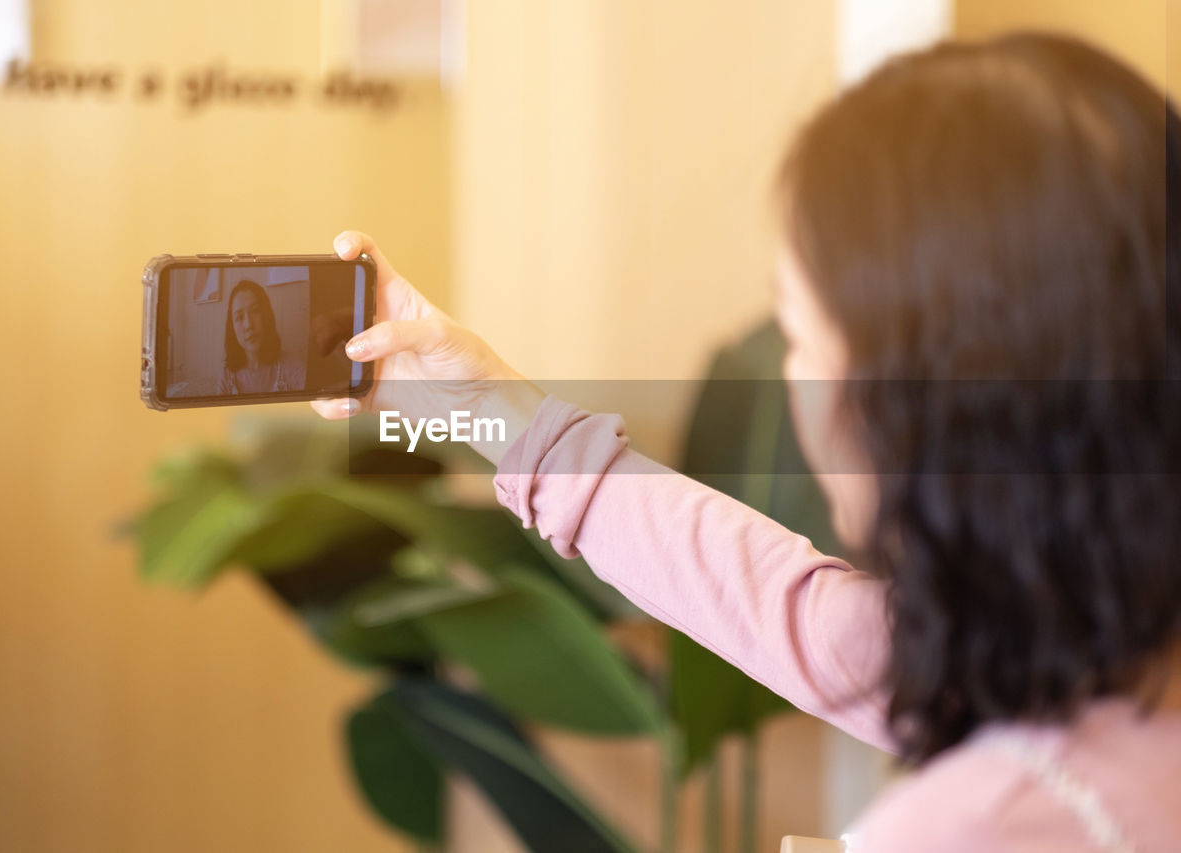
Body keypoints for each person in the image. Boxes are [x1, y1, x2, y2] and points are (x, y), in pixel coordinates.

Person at [312, 33, 1180, 851]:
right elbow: (794, 611)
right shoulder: (1085, 651)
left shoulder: (984, 821)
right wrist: (474, 407)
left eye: (800, 336)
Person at [216, 279, 306, 395]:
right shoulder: (226, 375)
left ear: (266, 316)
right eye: (239, 317)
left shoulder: (292, 366)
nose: (248, 325)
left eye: (255, 311)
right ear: (232, 328)